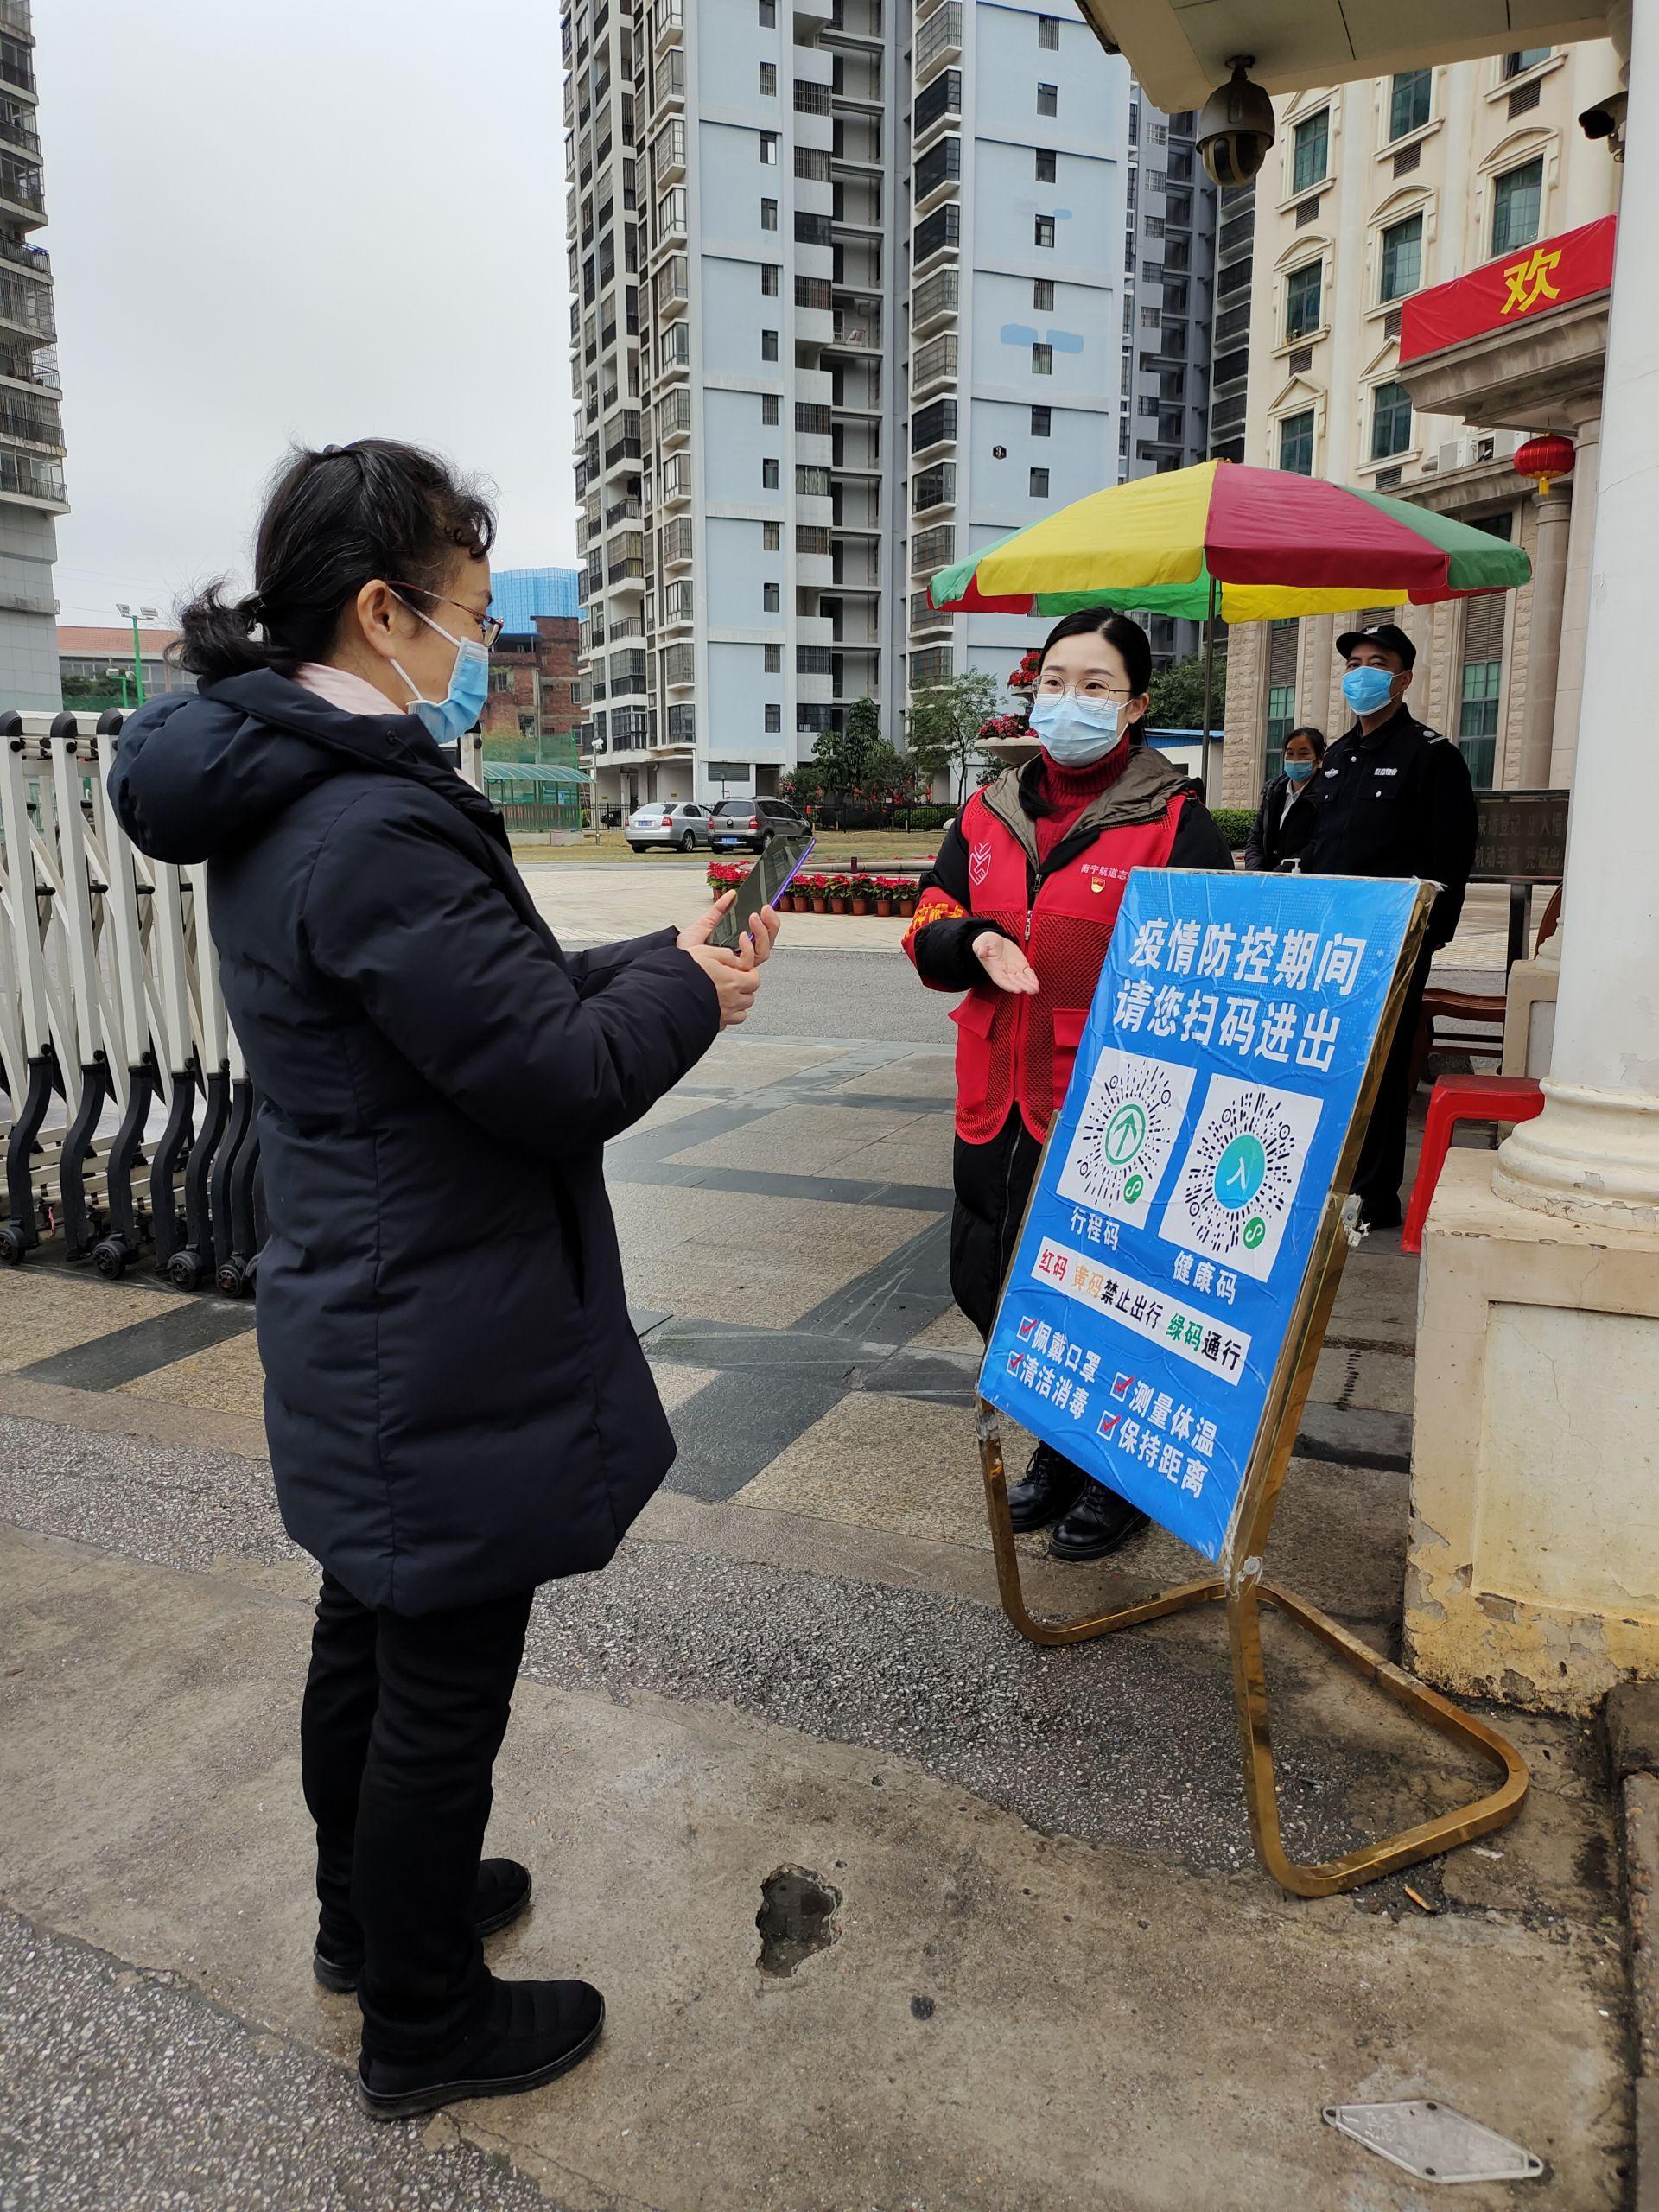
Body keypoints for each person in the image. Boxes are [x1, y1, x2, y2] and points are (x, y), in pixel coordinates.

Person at [108, 439, 778, 2121]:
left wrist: (664, 960)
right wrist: (694, 1003)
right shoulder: (367, 815)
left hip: (374, 1303)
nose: (480, 650)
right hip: (438, 1328)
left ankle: (368, 1913)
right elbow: (548, 1072)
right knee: (437, 1694)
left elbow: (490, 998)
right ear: (381, 606)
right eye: (467, 612)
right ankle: (421, 2016)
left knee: (373, 1641)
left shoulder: (288, 788)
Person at [904, 608, 1233, 1561]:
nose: (1069, 701)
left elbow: (1204, 968)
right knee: (997, 1280)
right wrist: (972, 939)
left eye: (1095, 686)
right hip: (993, 1093)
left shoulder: (1175, 819)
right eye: (1054, 681)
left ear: (1135, 704)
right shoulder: (986, 808)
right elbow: (933, 912)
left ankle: (1113, 1474)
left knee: (1105, 1296)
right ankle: (1059, 1444)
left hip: (1110, 1113)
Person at [1297, 620, 1478, 1230]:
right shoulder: (1339, 758)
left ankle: (1374, 1195)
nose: (1362, 673)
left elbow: (1451, 857)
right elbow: (1320, 847)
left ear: (1401, 678)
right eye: (1353, 663)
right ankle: (1328, 1177)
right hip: (1327, 937)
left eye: (1376, 662)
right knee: (1330, 1059)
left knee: (1379, 1063)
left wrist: (1426, 938)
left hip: (1390, 942)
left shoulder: (1431, 756)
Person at [1243, 725, 1325, 871]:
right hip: (1265, 881)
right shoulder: (1272, 791)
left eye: (1304, 754)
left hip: (1302, 882)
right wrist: (1256, 873)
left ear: (1318, 758)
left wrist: (1283, 872)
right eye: (1290, 753)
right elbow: (1256, 838)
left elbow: (1319, 844)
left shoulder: (1326, 796)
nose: (1295, 759)